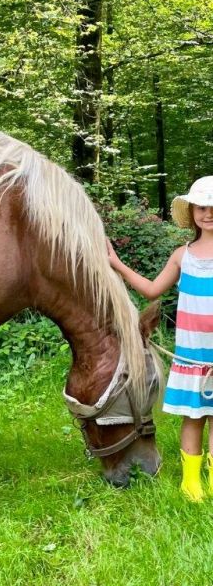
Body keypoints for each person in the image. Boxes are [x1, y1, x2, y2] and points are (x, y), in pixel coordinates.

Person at [108, 176, 213, 502]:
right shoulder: (182, 256)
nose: (208, 213)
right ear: (192, 211)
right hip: (192, 355)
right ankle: (191, 482)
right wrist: (118, 265)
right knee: (193, 417)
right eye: (201, 207)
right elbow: (153, 289)